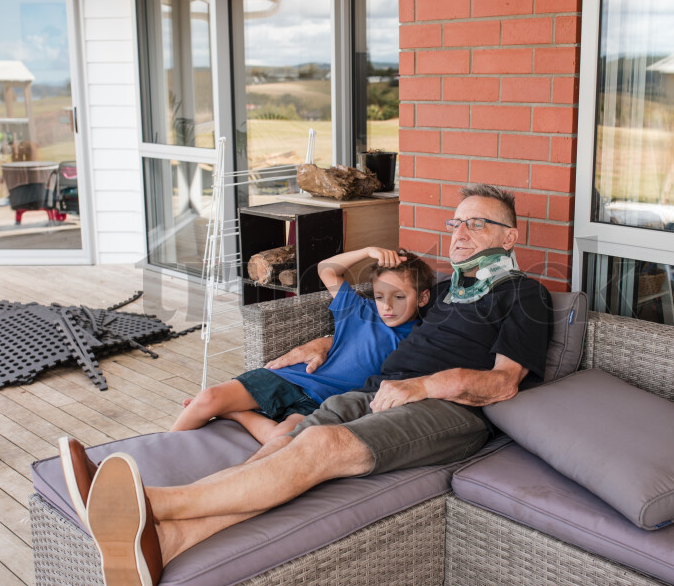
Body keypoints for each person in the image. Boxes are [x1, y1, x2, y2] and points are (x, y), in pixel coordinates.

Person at [64, 183, 553, 586]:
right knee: (283, 444)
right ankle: (166, 546)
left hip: (450, 412)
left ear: (510, 238)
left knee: (319, 443)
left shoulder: (525, 294)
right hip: (376, 391)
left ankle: (148, 504)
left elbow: (503, 384)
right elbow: (383, 320)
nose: (460, 233)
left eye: (477, 223)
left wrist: (424, 387)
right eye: (456, 222)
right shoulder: (445, 289)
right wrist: (322, 341)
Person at [170, 246, 433, 443]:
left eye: (399, 297)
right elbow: (326, 268)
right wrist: (367, 251)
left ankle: (236, 414)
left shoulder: (421, 337)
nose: (386, 306)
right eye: (379, 296)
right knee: (207, 398)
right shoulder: (357, 309)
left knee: (281, 438)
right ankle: (160, 451)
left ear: (422, 298)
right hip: (290, 377)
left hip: (320, 402)